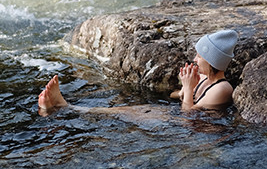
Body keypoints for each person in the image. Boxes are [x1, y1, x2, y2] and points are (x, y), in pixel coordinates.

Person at [38, 29, 237, 115]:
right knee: (123, 110)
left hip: (188, 129)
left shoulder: (222, 89)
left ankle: (64, 107)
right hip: (171, 116)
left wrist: (187, 87)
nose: (195, 59)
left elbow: (189, 118)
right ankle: (63, 107)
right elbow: (174, 95)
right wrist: (184, 90)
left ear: (212, 61)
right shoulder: (202, 77)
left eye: (200, 56)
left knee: (121, 112)